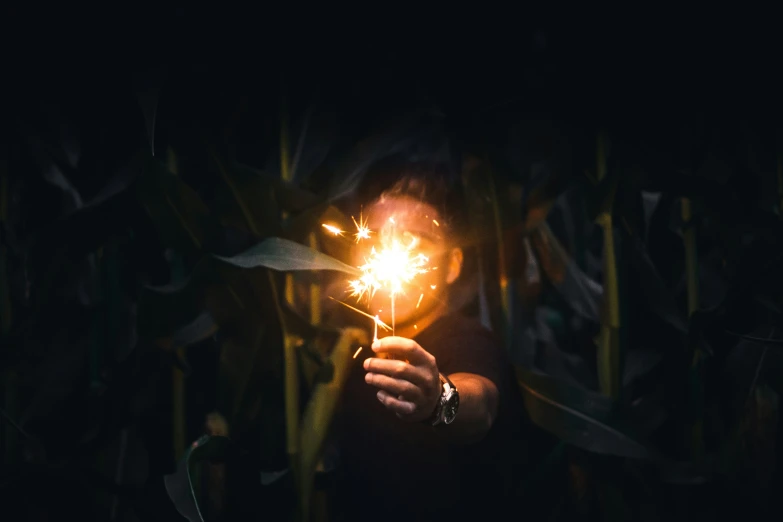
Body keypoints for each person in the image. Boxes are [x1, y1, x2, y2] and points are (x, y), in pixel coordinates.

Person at [329, 158, 525, 521]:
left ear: (452, 264)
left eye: (412, 242)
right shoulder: (356, 348)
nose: (386, 254)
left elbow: (479, 405)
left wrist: (438, 401)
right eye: (373, 239)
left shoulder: (467, 340)